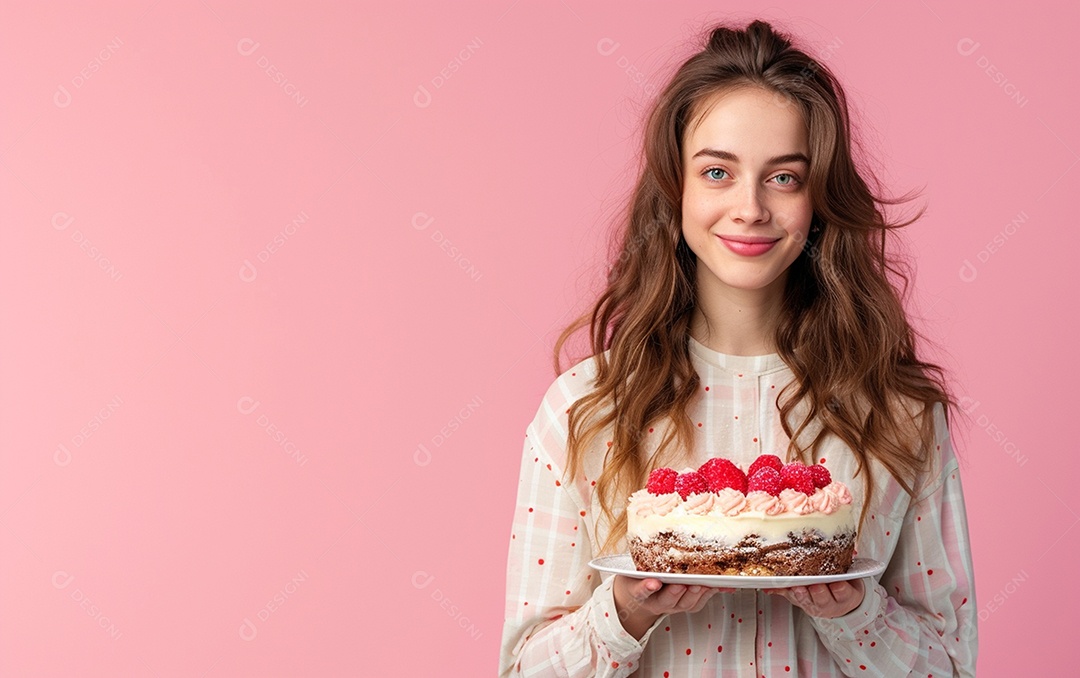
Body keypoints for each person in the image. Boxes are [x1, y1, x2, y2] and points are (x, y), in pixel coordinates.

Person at [499, 18, 977, 677]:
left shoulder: (899, 411)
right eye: (718, 171)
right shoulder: (584, 410)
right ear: (676, 188)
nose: (749, 208)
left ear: (819, 197)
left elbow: (952, 667)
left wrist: (855, 614)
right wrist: (626, 613)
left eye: (783, 177)